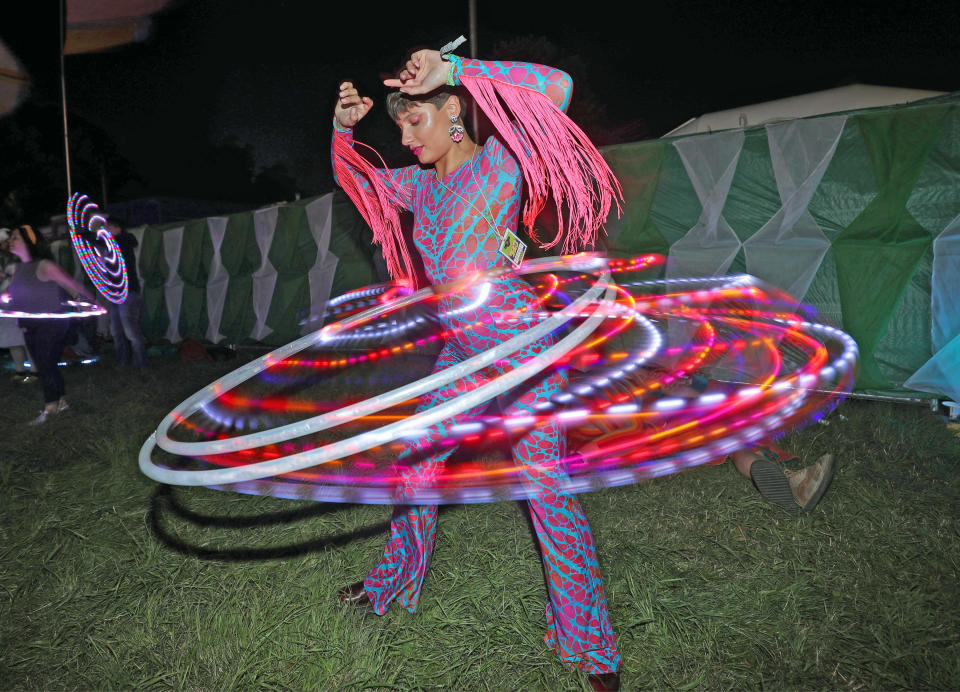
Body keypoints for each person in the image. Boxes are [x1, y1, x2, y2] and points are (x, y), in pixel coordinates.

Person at [332, 48, 623, 690]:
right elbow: (360, 184)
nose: (405, 140)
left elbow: (559, 85)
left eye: (416, 123)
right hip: (464, 353)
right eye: (399, 128)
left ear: (453, 113)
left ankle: (592, 645)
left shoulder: (501, 165)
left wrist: (455, 71)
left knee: (549, 498)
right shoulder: (421, 185)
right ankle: (392, 581)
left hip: (519, 355)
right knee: (416, 462)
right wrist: (342, 132)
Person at [5, 225, 98, 425]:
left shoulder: (45, 265)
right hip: (29, 323)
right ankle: (61, 401)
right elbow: (15, 296)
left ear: (29, 241)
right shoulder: (18, 268)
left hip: (51, 323)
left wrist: (88, 302)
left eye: (15, 237)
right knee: (44, 363)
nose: (10, 240)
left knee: (45, 364)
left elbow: (71, 285)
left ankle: (50, 406)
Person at [105, 219, 147, 369]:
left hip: (128, 293)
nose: (105, 229)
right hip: (115, 294)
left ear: (117, 228)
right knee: (116, 331)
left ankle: (140, 365)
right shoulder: (111, 246)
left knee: (130, 331)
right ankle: (122, 362)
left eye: (108, 226)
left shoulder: (123, 241)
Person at [0, 228, 37, 381]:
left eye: (9, 241)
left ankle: (35, 370)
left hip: (21, 300)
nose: (7, 244)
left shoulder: (22, 257)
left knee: (26, 335)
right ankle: (20, 370)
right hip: (4, 303)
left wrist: (7, 276)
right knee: (10, 337)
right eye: (4, 242)